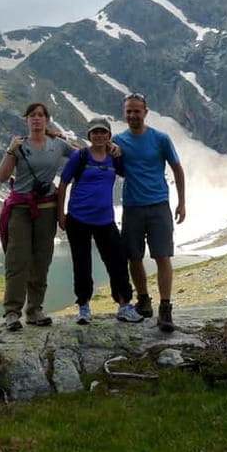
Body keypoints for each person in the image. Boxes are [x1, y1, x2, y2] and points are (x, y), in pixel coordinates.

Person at [0, 102, 76, 331]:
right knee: (17, 260)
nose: (36, 118)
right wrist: (10, 150)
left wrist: (109, 148)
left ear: (47, 119)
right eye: (32, 115)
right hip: (21, 209)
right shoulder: (19, 145)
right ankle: (12, 312)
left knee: (42, 260)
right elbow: (2, 176)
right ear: (26, 120)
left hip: (47, 209)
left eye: (41, 115)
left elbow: (82, 155)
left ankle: (34, 310)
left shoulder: (58, 144)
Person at [57, 117, 143, 325]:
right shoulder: (80, 156)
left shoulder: (114, 157)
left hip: (105, 219)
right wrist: (61, 214)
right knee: (82, 263)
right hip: (78, 218)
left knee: (117, 261)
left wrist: (118, 151)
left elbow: (127, 171)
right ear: (89, 135)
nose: (99, 135)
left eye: (103, 132)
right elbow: (63, 184)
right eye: (95, 132)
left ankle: (124, 305)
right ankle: (84, 307)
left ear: (109, 135)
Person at [112, 93, 186, 332]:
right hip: (132, 206)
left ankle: (165, 307)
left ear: (145, 112)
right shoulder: (117, 141)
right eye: (129, 111)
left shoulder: (160, 139)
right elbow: (95, 155)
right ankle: (143, 300)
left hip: (158, 205)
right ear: (124, 113)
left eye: (137, 111)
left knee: (162, 256)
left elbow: (177, 169)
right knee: (133, 256)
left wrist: (181, 203)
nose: (133, 115)